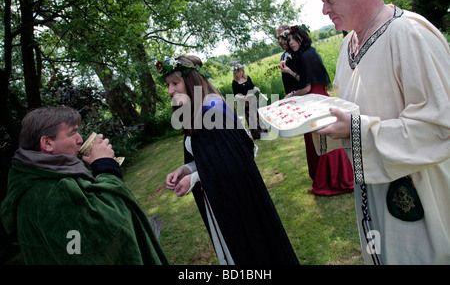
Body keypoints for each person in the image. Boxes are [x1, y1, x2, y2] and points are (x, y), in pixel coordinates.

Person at [314, 0, 450, 264]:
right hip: (371, 189)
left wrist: (358, 129)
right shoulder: (346, 46)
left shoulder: (409, 33)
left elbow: (441, 127)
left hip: (420, 192)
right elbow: (357, 105)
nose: (324, 10)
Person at [159, 55, 299, 265]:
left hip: (236, 201)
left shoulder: (211, 111)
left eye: (175, 83)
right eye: (168, 85)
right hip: (221, 198)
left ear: (192, 80)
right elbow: (211, 156)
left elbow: (234, 161)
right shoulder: (197, 110)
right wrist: (186, 169)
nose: (170, 91)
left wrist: (195, 179)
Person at [0, 107, 169, 265]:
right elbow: (110, 226)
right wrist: (106, 167)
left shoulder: (32, 181)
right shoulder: (55, 191)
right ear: (47, 143)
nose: (80, 139)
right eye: (72, 134)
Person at [279, 25, 354, 196]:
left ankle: (334, 179)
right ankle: (327, 176)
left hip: (315, 101)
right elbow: (306, 81)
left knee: (324, 142)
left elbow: (306, 88)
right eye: (289, 40)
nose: (291, 42)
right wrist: (290, 71)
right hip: (315, 97)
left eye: (294, 39)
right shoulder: (308, 53)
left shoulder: (306, 56)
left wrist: (291, 95)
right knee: (318, 141)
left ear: (302, 38)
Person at [232, 64, 264, 140]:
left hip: (253, 99)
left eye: (242, 71)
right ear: (236, 73)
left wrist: (256, 88)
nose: (241, 73)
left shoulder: (247, 78)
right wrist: (242, 97)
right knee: (250, 118)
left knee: (257, 115)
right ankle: (256, 135)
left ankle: (263, 132)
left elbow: (253, 86)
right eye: (239, 72)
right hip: (244, 102)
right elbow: (235, 94)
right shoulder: (234, 82)